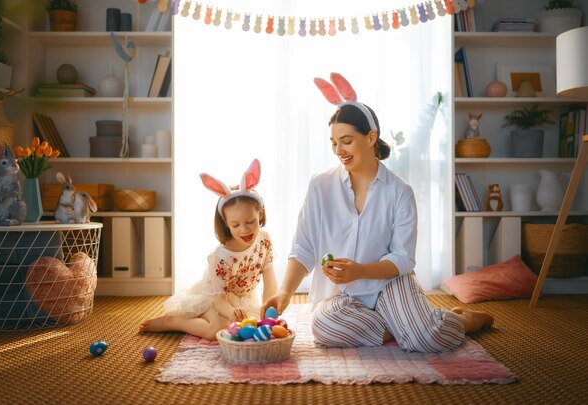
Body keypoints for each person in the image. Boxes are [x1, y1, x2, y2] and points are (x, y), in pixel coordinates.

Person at [261, 73, 493, 353]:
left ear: (371, 137)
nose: (339, 150)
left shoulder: (400, 192)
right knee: (323, 327)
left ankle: (461, 320)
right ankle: (406, 325)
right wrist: (285, 292)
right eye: (334, 142)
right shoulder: (320, 186)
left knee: (429, 341)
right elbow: (304, 246)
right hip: (342, 297)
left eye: (346, 141)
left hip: (389, 284)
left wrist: (359, 271)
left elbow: (403, 259)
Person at [140, 159, 278, 340]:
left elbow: (270, 280)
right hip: (217, 298)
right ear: (226, 223)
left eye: (250, 222)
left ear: (260, 214)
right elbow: (219, 300)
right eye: (235, 225)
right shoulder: (220, 257)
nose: (244, 230)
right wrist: (230, 312)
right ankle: (172, 322)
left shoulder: (264, 240)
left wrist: (267, 309)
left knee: (247, 329)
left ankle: (217, 319)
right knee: (217, 332)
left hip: (245, 298)